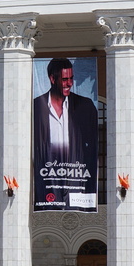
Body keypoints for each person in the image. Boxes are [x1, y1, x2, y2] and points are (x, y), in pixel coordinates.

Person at [33, 57, 98, 206]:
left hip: (78, 178)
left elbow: (93, 145)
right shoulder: (36, 107)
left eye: (71, 78)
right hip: (44, 180)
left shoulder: (85, 106)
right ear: (52, 79)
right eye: (64, 79)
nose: (69, 83)